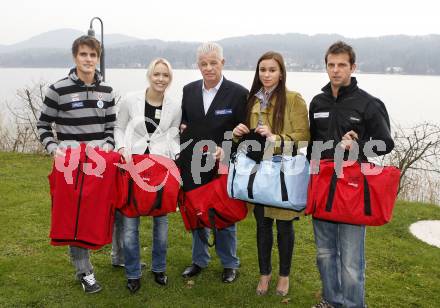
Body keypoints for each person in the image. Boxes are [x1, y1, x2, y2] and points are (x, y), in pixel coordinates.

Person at [308, 41, 394, 308]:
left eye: (341, 65)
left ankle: (354, 304)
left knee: (351, 260)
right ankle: (331, 300)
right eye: (331, 65)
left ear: (352, 67)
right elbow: (312, 146)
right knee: (324, 254)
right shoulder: (318, 101)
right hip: (323, 186)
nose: (336, 70)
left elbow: (385, 143)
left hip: (352, 190)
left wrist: (357, 146)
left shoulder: (368, 103)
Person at [37, 35, 116, 293]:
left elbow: (111, 128)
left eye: (93, 55)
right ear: (75, 57)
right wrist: (53, 149)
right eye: (83, 54)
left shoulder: (107, 91)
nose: (88, 59)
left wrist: (108, 145)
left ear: (98, 58)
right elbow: (42, 126)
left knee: (103, 212)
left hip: (98, 164)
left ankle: (120, 258)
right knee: (75, 219)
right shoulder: (57, 89)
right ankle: (85, 272)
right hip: (70, 165)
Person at [232, 51, 310, 296]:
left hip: (283, 174)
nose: (266, 74)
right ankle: (264, 275)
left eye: (272, 70)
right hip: (259, 174)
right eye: (262, 70)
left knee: (285, 228)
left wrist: (276, 139)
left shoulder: (294, 99)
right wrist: (237, 134)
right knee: (263, 226)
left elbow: (304, 137)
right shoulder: (252, 101)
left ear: (281, 72)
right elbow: (247, 142)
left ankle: (284, 277)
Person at [180, 42, 248, 283]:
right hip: (193, 164)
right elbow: (184, 125)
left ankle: (229, 263)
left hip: (223, 165)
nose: (208, 68)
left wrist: (228, 150)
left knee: (224, 214)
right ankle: (199, 260)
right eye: (203, 64)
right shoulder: (188, 91)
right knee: (197, 212)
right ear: (198, 65)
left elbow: (245, 134)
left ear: (223, 63)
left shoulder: (239, 93)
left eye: (213, 63)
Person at [113, 58, 181, 293]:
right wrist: (122, 148)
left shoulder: (175, 106)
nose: (161, 79)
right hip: (133, 165)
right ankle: (133, 272)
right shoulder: (130, 100)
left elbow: (173, 135)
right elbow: (119, 128)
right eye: (157, 74)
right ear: (149, 76)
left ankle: (159, 268)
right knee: (130, 225)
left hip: (160, 168)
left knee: (161, 224)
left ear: (169, 79)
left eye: (165, 75)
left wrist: (174, 157)